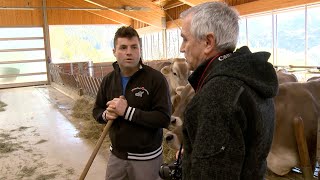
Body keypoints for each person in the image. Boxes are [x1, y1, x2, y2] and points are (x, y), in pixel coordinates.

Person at [179, 2, 278, 180]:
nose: (181, 48)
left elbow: (211, 173)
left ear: (208, 42)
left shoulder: (219, 93)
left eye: (185, 39)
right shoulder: (249, 77)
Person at [92, 26, 171, 180]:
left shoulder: (156, 79)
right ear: (114, 51)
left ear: (140, 50)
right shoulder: (108, 80)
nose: (129, 52)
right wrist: (106, 115)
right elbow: (96, 110)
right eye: (123, 47)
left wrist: (127, 112)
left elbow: (163, 118)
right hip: (116, 157)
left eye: (134, 47)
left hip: (147, 160)